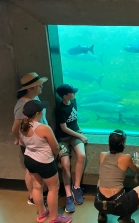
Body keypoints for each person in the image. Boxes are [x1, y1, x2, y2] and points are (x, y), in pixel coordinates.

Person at [20, 100, 72, 223]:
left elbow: (22, 143)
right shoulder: (44, 128)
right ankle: (54, 218)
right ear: (38, 113)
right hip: (44, 162)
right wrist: (53, 157)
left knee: (37, 187)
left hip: (29, 160)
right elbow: (55, 147)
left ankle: (42, 214)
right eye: (42, 110)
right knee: (53, 188)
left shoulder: (22, 126)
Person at [94, 129, 139, 223]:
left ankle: (101, 214)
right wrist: (137, 163)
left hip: (98, 202)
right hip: (118, 204)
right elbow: (135, 169)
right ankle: (125, 217)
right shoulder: (126, 158)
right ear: (123, 144)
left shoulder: (102, 155)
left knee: (102, 179)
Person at [11, 72, 49, 205]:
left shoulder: (35, 98)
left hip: (39, 141)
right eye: (39, 86)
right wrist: (20, 140)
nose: (41, 88)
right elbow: (15, 128)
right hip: (31, 143)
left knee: (35, 170)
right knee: (31, 170)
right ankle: (32, 196)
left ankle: (38, 194)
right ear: (30, 88)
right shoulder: (22, 105)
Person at [55, 84, 87, 212]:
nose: (74, 94)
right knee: (65, 164)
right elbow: (64, 128)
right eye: (72, 92)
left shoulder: (73, 101)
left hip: (74, 134)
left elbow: (74, 121)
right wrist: (80, 135)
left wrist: (79, 131)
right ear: (65, 96)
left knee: (82, 155)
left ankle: (76, 187)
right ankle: (68, 194)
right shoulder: (60, 109)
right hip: (63, 138)